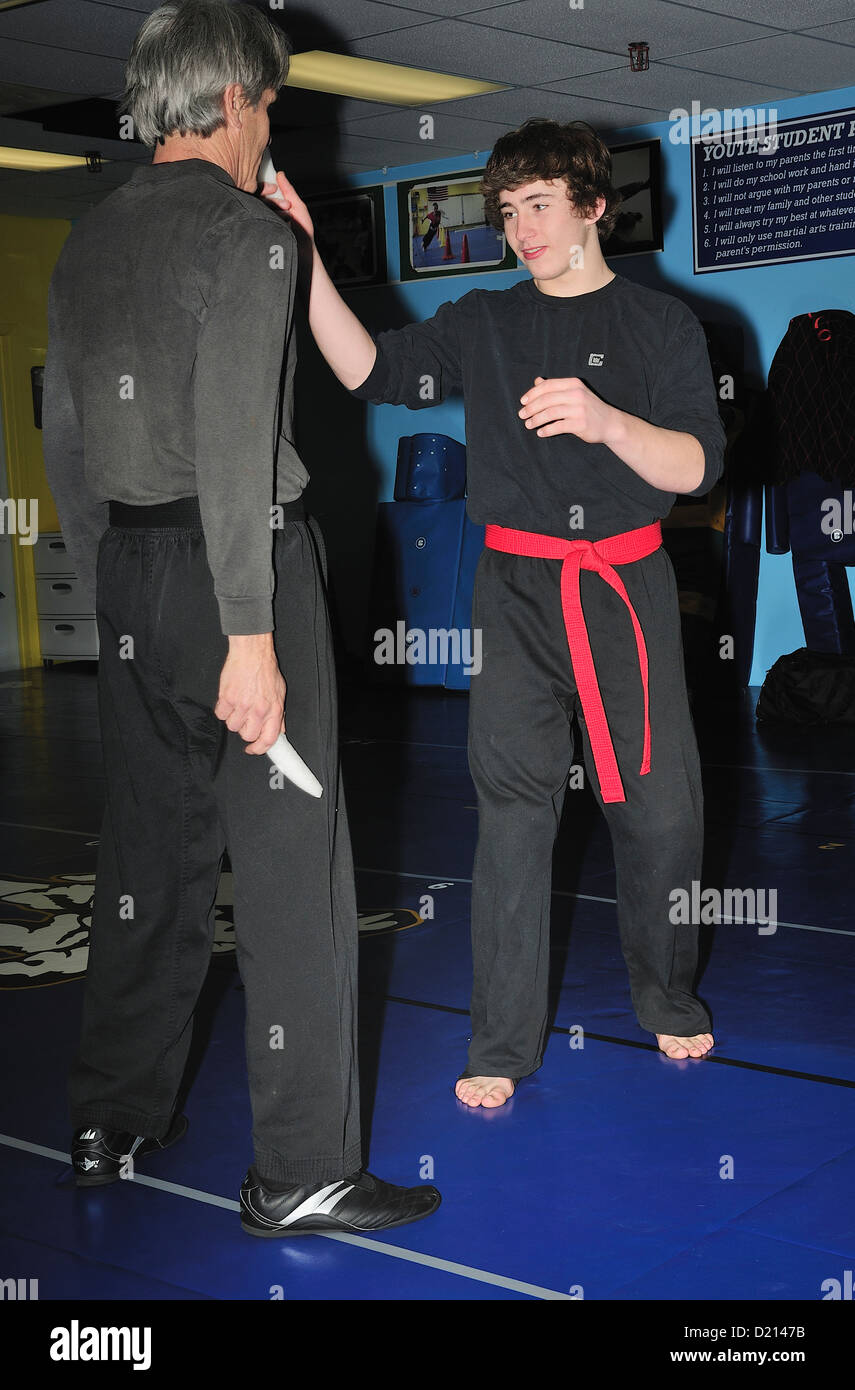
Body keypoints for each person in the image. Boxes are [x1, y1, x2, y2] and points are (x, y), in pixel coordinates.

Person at [41, 0, 440, 1233]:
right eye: (268, 99)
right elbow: (230, 443)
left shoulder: (88, 236)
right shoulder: (247, 233)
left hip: (133, 578)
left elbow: (65, 432)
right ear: (228, 103)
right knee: (290, 872)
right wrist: (251, 637)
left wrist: (117, 588)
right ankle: (304, 1167)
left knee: (147, 865)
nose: (276, 119)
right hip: (240, 574)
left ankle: (111, 1114)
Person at [261, 117, 725, 1108]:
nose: (523, 227)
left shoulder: (663, 326)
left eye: (541, 206)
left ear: (593, 206)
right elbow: (371, 371)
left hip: (624, 588)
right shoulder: (485, 320)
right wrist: (305, 264)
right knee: (513, 816)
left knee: (662, 816)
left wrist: (605, 420)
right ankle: (503, 1042)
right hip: (514, 591)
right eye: (509, 210)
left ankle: (668, 994)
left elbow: (695, 465)